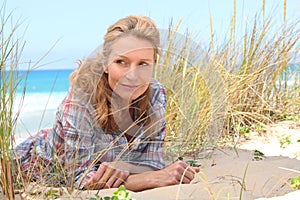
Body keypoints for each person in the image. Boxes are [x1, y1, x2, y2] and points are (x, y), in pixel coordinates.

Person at [14, 15, 200, 191]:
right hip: (29, 165)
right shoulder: (80, 101)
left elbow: (153, 162)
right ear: (106, 64)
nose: (132, 75)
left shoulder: (156, 95)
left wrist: (125, 167)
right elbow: (80, 179)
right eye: (121, 62)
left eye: (143, 64)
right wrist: (149, 178)